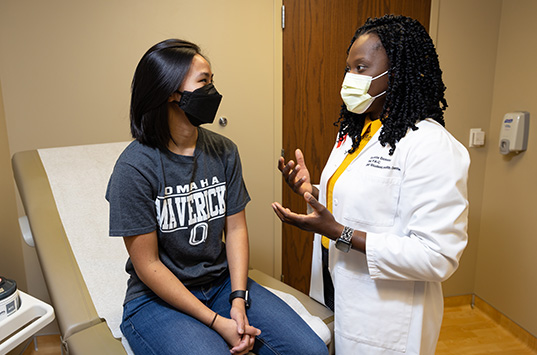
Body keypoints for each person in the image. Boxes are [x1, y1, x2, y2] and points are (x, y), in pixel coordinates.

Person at [106, 39, 328, 355]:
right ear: (170, 92)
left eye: (212, 81)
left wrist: (238, 299)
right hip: (155, 300)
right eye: (204, 82)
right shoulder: (134, 167)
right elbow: (148, 265)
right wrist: (215, 322)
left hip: (221, 284)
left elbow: (235, 229)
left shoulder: (223, 151)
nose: (212, 91)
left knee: (312, 351)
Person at [272, 15, 469, 355]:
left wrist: (340, 233)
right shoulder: (354, 132)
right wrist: (312, 190)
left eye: (361, 68)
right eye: (349, 68)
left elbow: (438, 256)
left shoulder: (431, 146)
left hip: (386, 313)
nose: (351, 79)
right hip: (336, 284)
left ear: (398, 72)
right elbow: (363, 201)